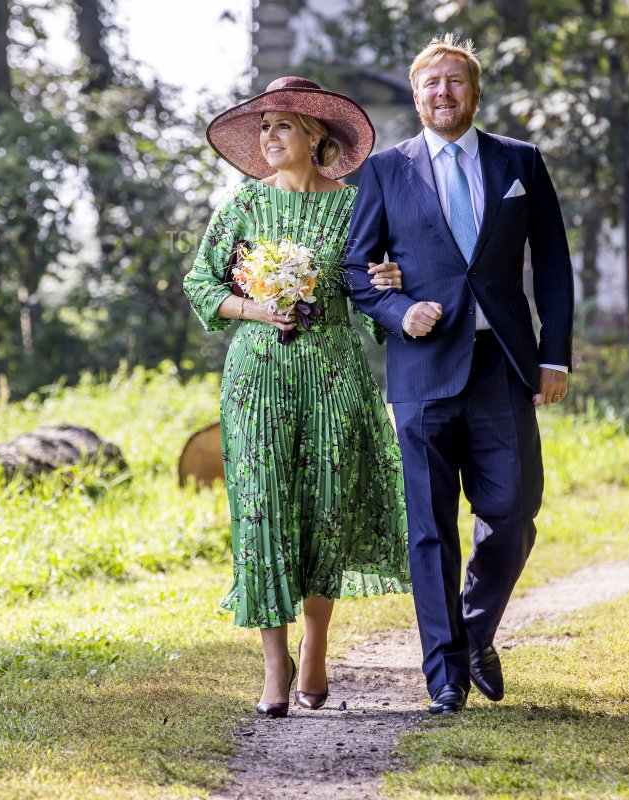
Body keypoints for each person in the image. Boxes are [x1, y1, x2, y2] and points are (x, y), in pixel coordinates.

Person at [343, 34, 575, 714]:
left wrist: (553, 354)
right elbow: (358, 269)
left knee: (512, 514)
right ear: (416, 97)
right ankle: (444, 674)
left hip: (504, 368)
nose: (442, 92)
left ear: (475, 93)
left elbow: (554, 265)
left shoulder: (519, 163)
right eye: (430, 83)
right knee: (431, 528)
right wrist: (397, 310)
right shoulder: (386, 170)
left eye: (455, 81)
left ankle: (472, 634)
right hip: (421, 372)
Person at [184, 76, 411, 718]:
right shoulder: (243, 207)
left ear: (316, 136)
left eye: (282, 125)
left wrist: (389, 281)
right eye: (263, 127)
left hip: (335, 376)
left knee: (325, 511)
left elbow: (370, 304)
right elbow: (201, 284)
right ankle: (273, 668)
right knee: (264, 512)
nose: (269, 137)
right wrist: (258, 308)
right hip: (257, 380)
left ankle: (315, 648)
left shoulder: (355, 207)